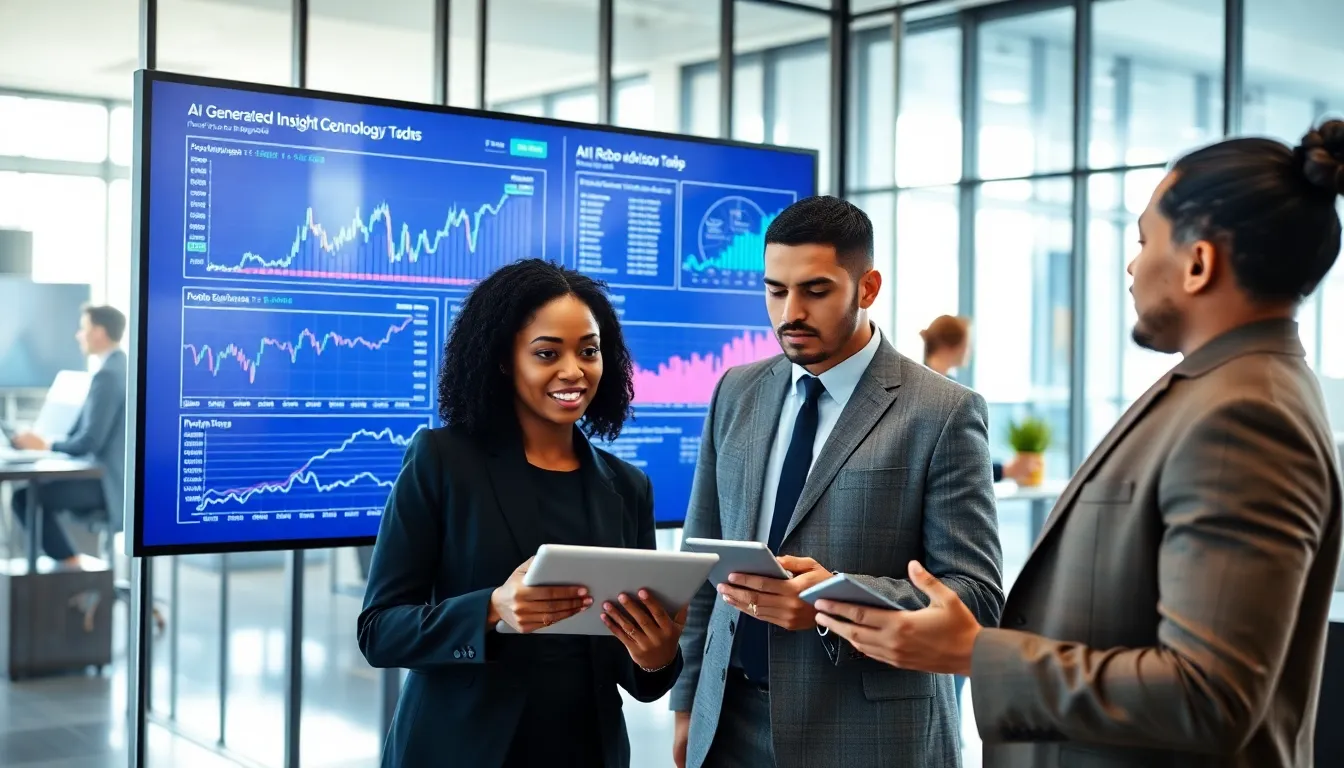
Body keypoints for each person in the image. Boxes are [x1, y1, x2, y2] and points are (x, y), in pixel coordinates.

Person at [812, 122, 1344, 768]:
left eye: (1146, 239)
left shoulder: (1245, 415)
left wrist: (972, 652)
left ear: (1199, 263)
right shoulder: (1220, 388)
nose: (1132, 262)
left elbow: (1209, 695)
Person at [670, 196, 1004, 768]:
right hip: (729, 727)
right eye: (775, 290)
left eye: (815, 291)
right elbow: (700, 567)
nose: (789, 312)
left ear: (867, 288)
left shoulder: (942, 411)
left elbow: (975, 598)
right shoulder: (736, 392)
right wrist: (687, 709)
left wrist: (828, 600)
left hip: (871, 735)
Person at [357, 259, 685, 768]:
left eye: (589, 351)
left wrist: (655, 654)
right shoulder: (443, 460)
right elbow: (379, 630)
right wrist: (491, 608)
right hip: (460, 750)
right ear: (506, 360)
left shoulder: (627, 486)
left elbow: (638, 676)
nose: (574, 371)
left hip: (585, 752)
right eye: (547, 353)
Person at [10, 304, 127, 567]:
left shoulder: (108, 376)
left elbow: (90, 441)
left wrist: (46, 444)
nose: (78, 335)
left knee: (24, 498)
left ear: (99, 332)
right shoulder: (120, 368)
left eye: (83, 329)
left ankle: (72, 569)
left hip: (108, 486)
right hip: (108, 479)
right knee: (34, 493)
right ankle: (71, 568)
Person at [920, 314, 1041, 484]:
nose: (971, 350)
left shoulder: (943, 387)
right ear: (950, 346)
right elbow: (956, 462)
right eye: (967, 344)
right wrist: (1006, 470)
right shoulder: (930, 394)